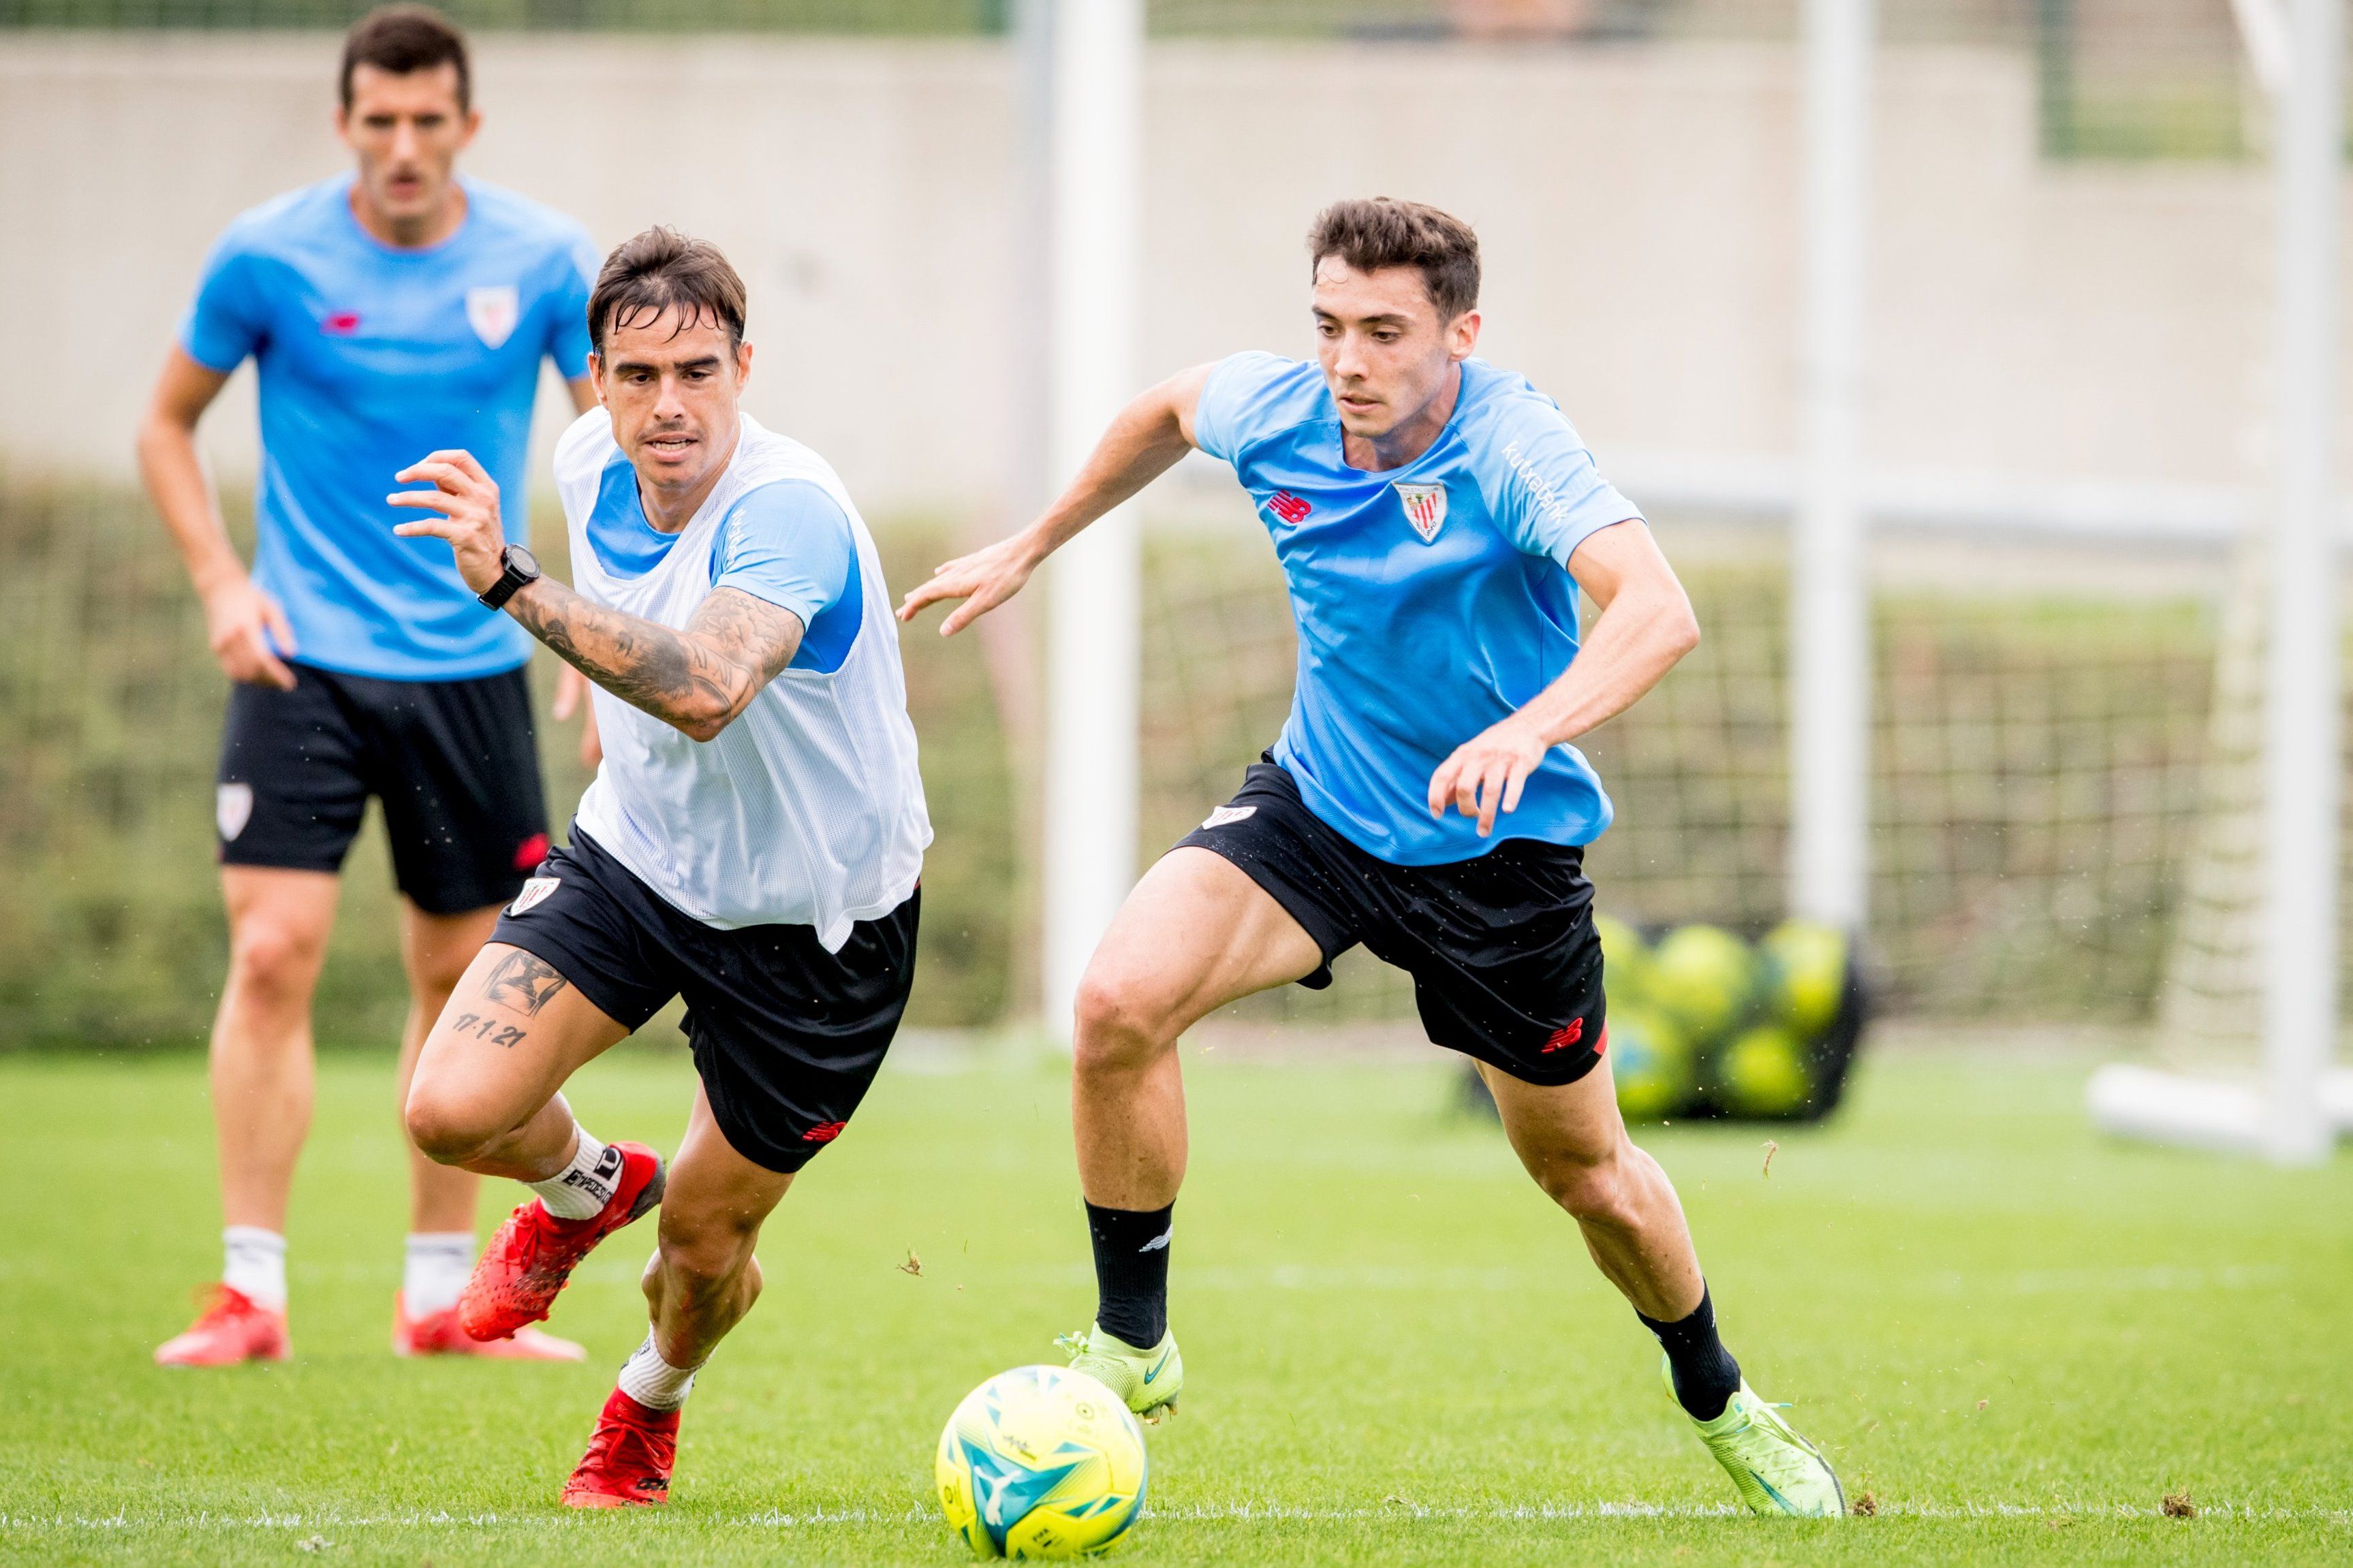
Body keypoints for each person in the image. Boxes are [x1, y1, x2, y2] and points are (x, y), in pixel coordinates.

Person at [900, 198, 1844, 1518]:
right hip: (1323, 809)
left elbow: (1656, 610)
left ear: (1459, 332)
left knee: (1585, 1175)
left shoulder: (1510, 440)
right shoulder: (1278, 411)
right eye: (1329, 325)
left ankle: (1721, 1397)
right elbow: (1170, 408)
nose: (1348, 359)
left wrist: (1525, 728)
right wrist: (1031, 542)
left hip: (1495, 854)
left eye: (1384, 331)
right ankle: (1133, 1336)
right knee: (1117, 1002)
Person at [394, 227, 931, 1508]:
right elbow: (639, 644)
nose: (669, 405)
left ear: (748, 365)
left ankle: (647, 1402)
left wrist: (511, 586)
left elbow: (706, 687)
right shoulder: (589, 459)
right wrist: (600, 695)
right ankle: (586, 1187)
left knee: (700, 1245)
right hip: (639, 861)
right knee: (451, 1109)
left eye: (698, 371)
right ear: (596, 379)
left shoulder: (786, 512)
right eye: (638, 378)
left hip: (819, 929)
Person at [138, 5, 606, 1368]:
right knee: (273, 950)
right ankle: (249, 1289)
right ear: (345, 123)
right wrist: (224, 584)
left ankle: (440, 1295)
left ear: (468, 125)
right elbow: (165, 424)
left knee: (463, 974)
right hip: (303, 666)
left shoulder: (540, 259)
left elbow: (602, 457)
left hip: (469, 666)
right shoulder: (267, 254)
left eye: (427, 120)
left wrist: (587, 631)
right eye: (378, 120)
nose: (403, 145)